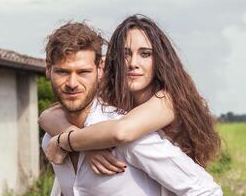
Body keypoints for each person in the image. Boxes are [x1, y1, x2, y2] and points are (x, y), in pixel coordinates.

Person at [41, 15, 222, 196]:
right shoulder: (104, 102)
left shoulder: (167, 100)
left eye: (145, 53)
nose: (133, 63)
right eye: (125, 54)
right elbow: (47, 116)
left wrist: (69, 142)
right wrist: (84, 144)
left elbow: (121, 131)